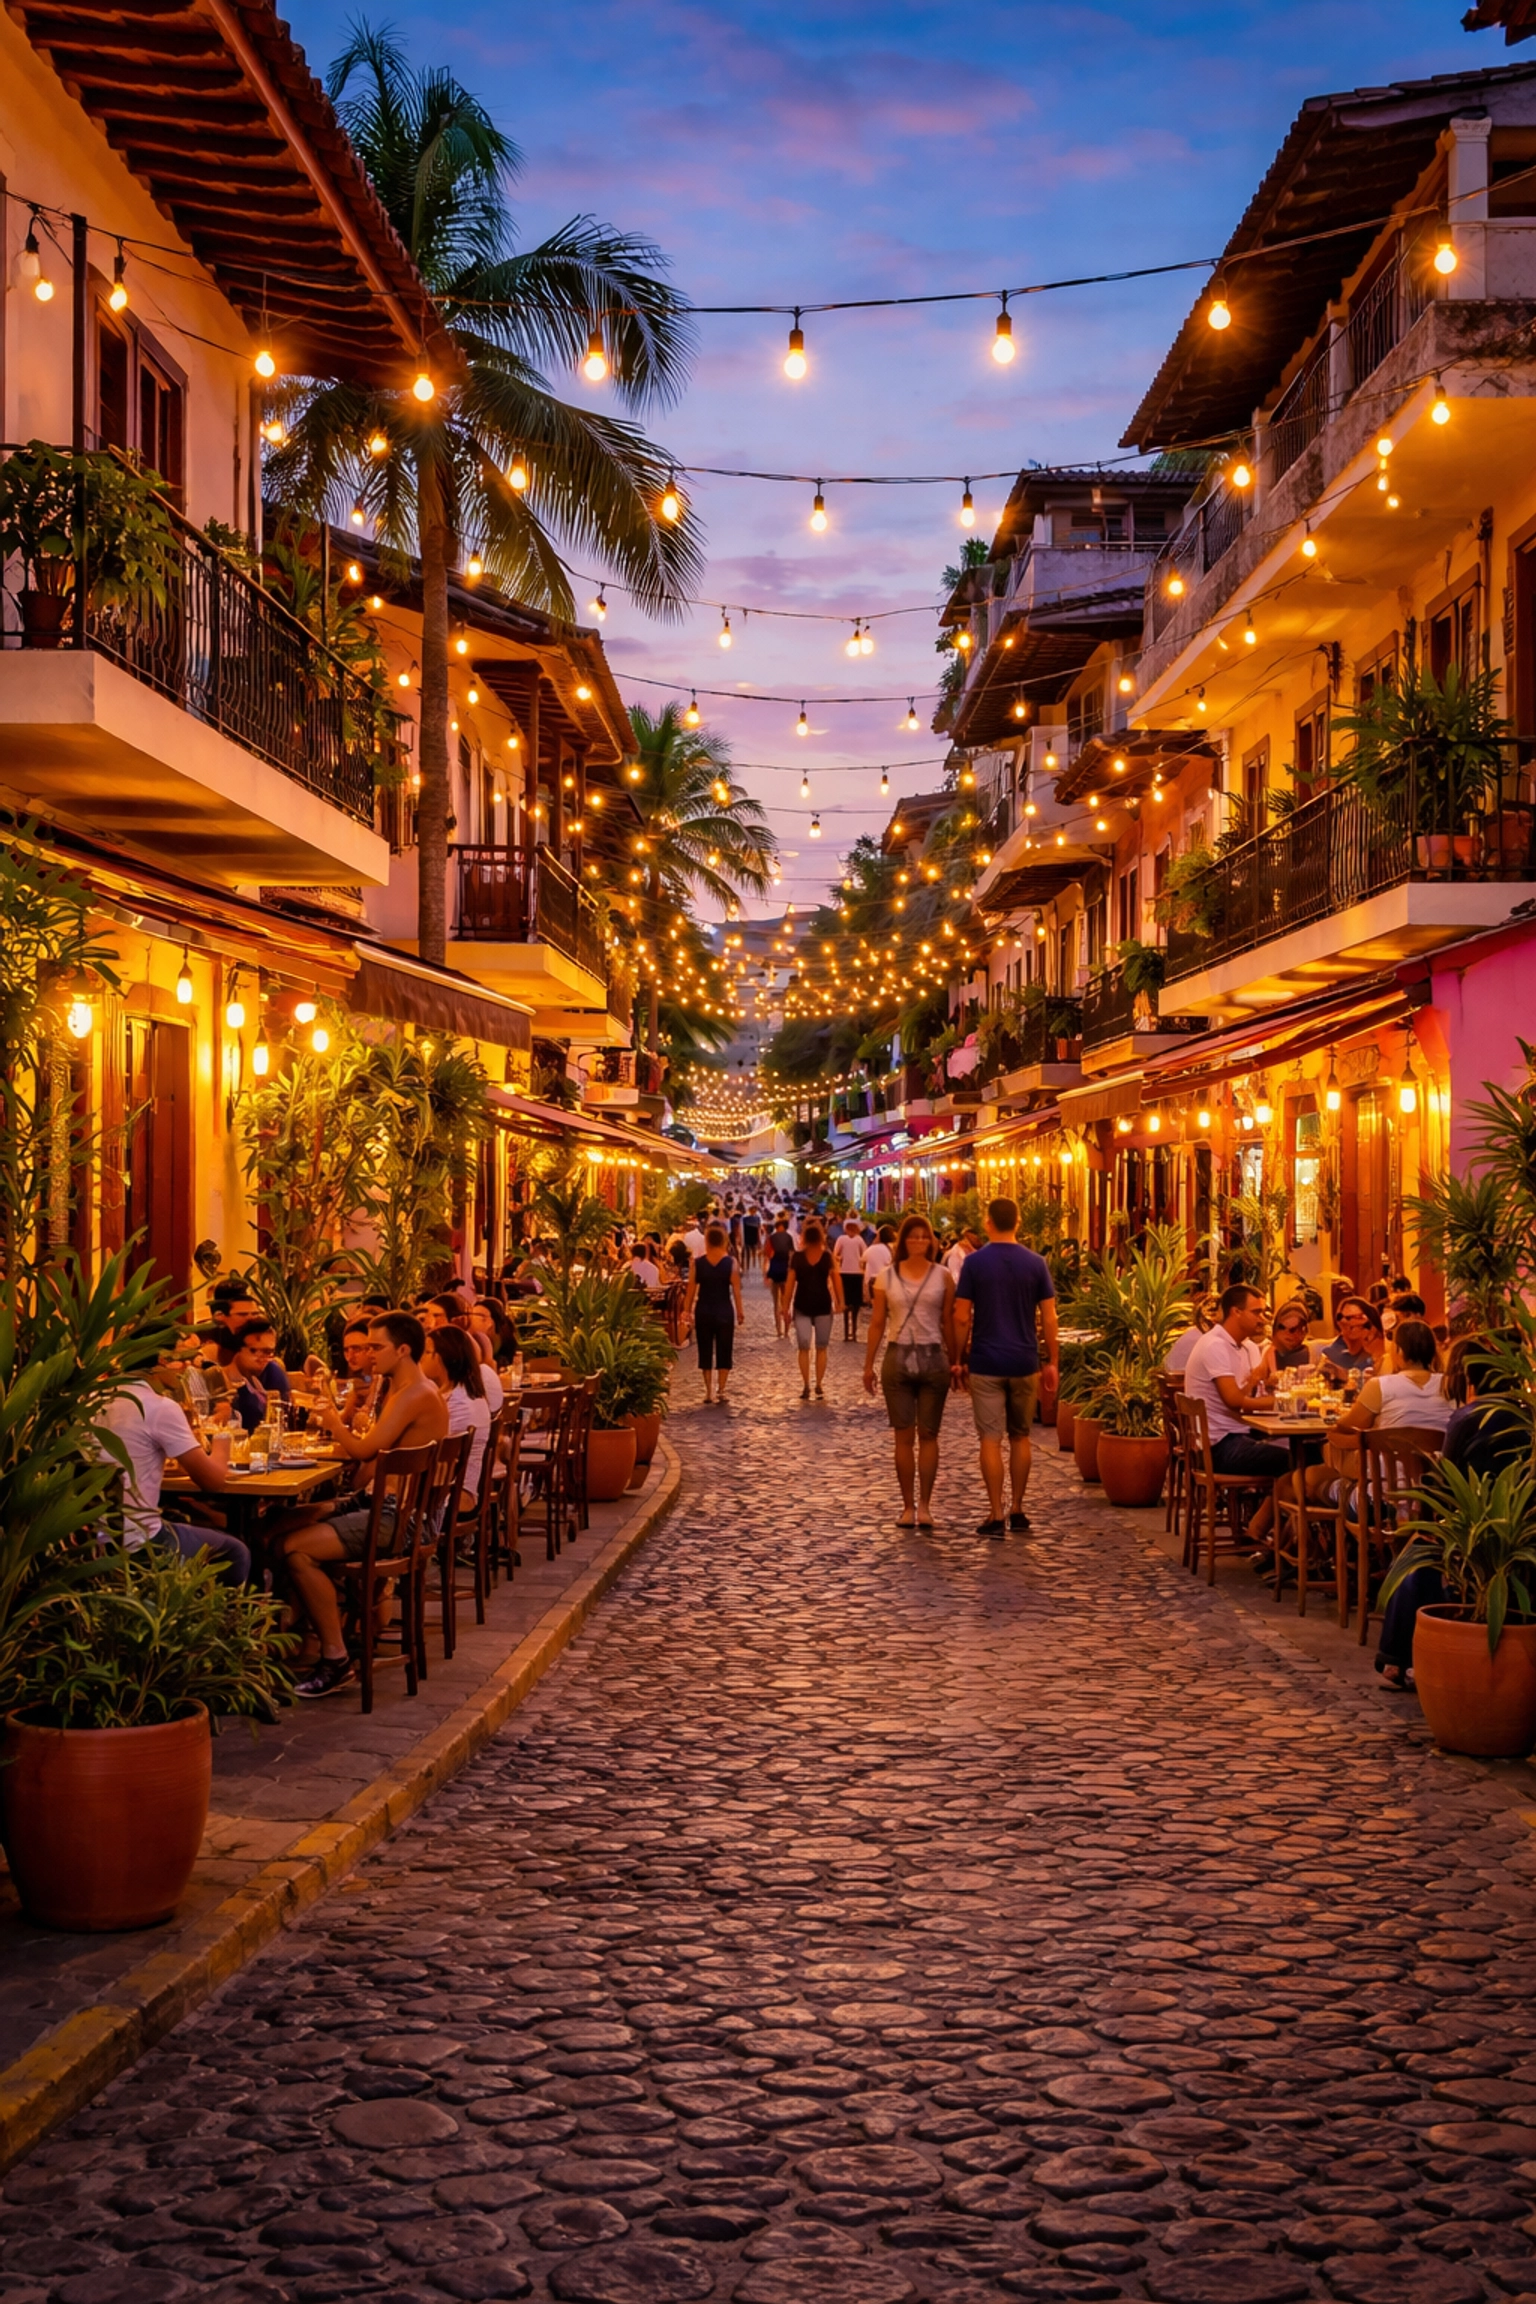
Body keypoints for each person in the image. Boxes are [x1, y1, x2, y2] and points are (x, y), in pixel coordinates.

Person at [281, 1313, 450, 1701]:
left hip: (401, 1519)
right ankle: (286, 1640)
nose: (369, 1355)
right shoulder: (402, 1389)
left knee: (296, 1550)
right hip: (385, 1505)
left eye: (376, 1347)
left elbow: (364, 1450)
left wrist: (330, 1420)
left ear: (403, 1350)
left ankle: (335, 1658)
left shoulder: (415, 1394)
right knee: (276, 1527)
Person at [953, 1197, 1058, 1539]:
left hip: (986, 1360)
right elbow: (1049, 1316)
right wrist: (1052, 1360)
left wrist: (958, 1358)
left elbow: (960, 1316)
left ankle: (996, 1510)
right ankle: (1018, 1507)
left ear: (987, 1223)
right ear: (1018, 1221)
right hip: (1025, 1360)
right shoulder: (1036, 1263)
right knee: (1021, 1436)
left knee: (990, 1438)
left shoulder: (974, 1263)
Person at [94, 1376, 250, 1585]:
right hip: (141, 1546)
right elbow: (213, 1481)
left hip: (89, 1543)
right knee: (236, 1552)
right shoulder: (156, 1406)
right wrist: (223, 1439)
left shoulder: (90, 1403)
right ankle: (203, 1615)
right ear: (160, 1361)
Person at [863, 1212, 957, 1530]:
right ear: (902, 1240)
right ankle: (907, 1506)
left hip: (933, 1358)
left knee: (929, 1435)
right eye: (912, 1236)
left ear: (931, 1240)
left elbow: (948, 1321)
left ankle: (926, 1506)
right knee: (903, 1437)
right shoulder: (886, 1277)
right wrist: (868, 1365)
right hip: (897, 1356)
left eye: (923, 1235)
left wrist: (956, 1359)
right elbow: (877, 1323)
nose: (918, 1241)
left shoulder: (943, 1276)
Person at [1182, 1284, 1290, 1546]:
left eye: (1264, 1312)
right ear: (1235, 1312)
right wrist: (1286, 1402)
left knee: (1307, 1451)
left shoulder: (1249, 1348)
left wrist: (1270, 1387)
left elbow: (1253, 1395)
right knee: (1294, 1460)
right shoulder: (1214, 1346)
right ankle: (1264, 1530)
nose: (1263, 1318)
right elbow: (1236, 1401)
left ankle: (1283, 1538)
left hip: (1242, 1433)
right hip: (1218, 1446)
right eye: (1257, 1312)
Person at [423, 1324, 491, 1514]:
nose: (421, 1359)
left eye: (427, 1352)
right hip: (445, 1491)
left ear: (443, 1357)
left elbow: (436, 1458)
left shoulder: (459, 1402)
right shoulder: (452, 1392)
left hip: (453, 1498)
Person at [683, 1222, 745, 1405]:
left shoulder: (698, 1263)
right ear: (724, 1241)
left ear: (708, 1241)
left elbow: (691, 1290)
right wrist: (740, 1312)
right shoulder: (730, 1263)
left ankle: (708, 1390)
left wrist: (686, 1311)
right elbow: (736, 1290)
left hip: (704, 1310)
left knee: (705, 1349)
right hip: (724, 1310)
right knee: (724, 1349)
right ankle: (722, 1390)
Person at [784, 1220, 843, 1401]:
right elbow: (836, 1280)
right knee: (821, 1348)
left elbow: (790, 1284)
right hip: (823, 1305)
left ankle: (806, 1384)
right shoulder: (827, 1257)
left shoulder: (797, 1258)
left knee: (803, 1348)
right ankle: (819, 1383)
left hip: (802, 1305)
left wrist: (784, 1307)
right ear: (820, 1237)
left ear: (804, 1239)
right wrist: (840, 1301)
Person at [1320, 1296, 1385, 1389]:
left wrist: (1344, 1375)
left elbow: (1378, 1381)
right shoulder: (1336, 1347)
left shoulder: (1377, 1343)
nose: (1347, 1322)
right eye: (1342, 1317)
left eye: (1356, 1317)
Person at [1253, 1300, 1316, 1389]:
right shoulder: (1269, 1352)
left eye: (1293, 1329)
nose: (1287, 1334)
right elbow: (1256, 1383)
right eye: (1282, 1327)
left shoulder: (1311, 1350)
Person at [834, 1216, 867, 1343]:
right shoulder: (860, 1240)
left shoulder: (841, 1239)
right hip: (857, 1273)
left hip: (845, 1273)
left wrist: (840, 1258)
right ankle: (853, 1333)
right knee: (856, 1304)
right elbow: (864, 1254)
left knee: (846, 1303)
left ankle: (846, 1333)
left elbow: (835, 1254)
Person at [765, 1219, 794, 1338]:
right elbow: (792, 1254)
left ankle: (778, 1330)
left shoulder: (771, 1238)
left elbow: (768, 1254)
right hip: (786, 1271)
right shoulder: (789, 1238)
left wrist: (765, 1274)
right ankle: (787, 1331)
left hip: (774, 1270)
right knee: (786, 1302)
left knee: (776, 1303)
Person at [742, 1205, 761, 1272]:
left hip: (750, 1236)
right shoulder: (745, 1218)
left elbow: (758, 1229)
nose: (754, 1211)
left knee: (752, 1251)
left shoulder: (745, 1219)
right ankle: (751, 1266)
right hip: (749, 1236)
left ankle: (752, 1266)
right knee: (751, 1251)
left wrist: (759, 1240)